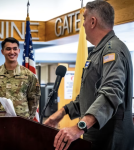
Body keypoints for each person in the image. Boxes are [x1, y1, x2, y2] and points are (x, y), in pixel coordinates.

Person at [44, 1, 134, 150]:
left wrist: (79, 127)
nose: (83, 24)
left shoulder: (113, 50)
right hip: (97, 138)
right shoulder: (98, 51)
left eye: (84, 19)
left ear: (93, 22)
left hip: (112, 141)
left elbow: (110, 94)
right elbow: (88, 97)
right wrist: (61, 113)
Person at [0, 37, 40, 119]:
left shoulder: (29, 75)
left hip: (22, 121)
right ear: (2, 51)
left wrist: (27, 118)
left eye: (15, 49)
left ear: (19, 51)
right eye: (8, 49)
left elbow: (34, 100)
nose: (12, 52)